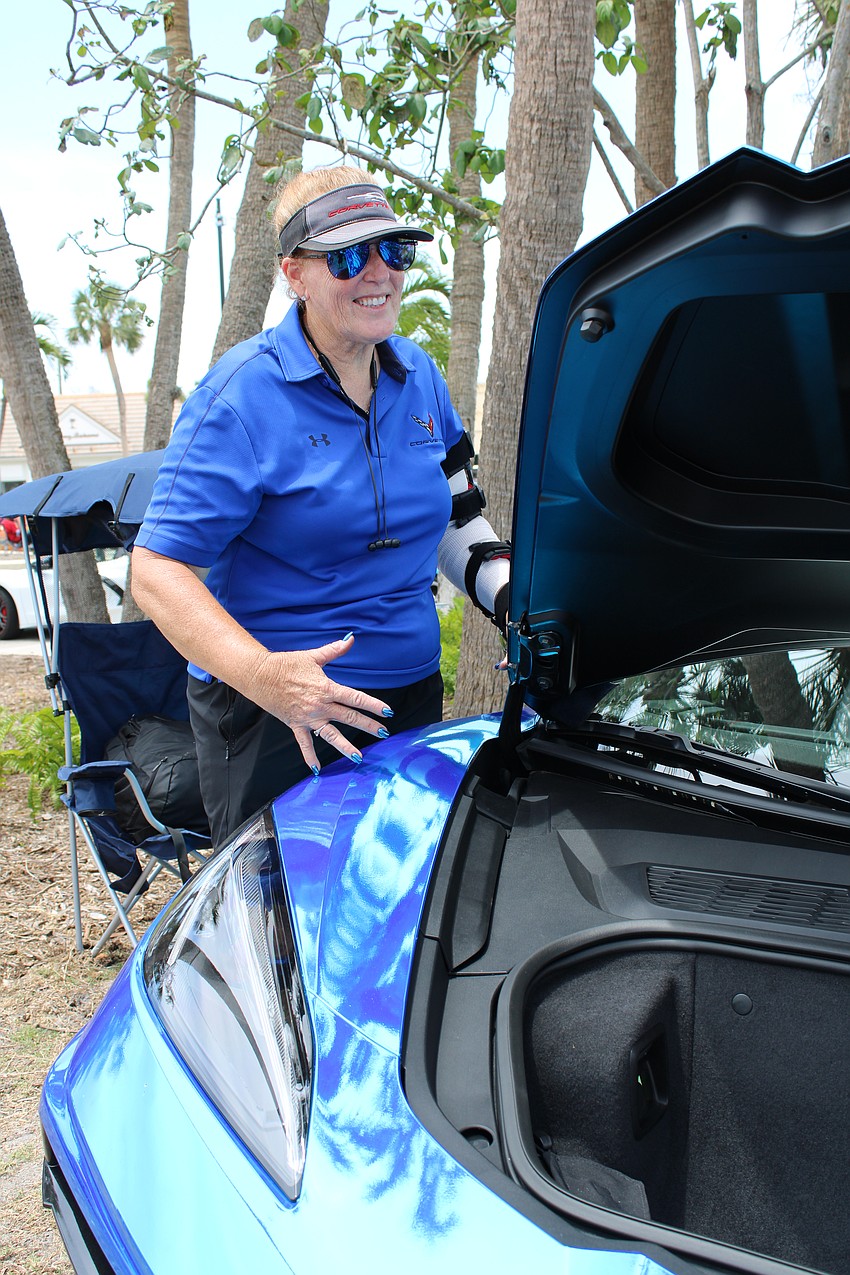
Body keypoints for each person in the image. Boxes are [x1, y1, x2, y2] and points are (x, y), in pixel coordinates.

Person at [132, 165, 510, 846]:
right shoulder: (242, 396)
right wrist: (265, 676)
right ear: (294, 274)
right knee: (279, 932)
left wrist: (516, 602)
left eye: (393, 249)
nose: (378, 272)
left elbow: (457, 518)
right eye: (345, 255)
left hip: (410, 699)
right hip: (276, 715)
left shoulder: (419, 375)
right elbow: (156, 571)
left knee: (397, 908)